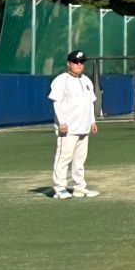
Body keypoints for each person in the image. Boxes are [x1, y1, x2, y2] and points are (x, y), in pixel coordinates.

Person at [49, 49, 99, 198]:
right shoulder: (61, 80)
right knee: (64, 157)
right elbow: (56, 103)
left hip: (83, 127)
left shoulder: (86, 80)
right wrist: (62, 122)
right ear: (68, 64)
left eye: (81, 62)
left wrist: (92, 121)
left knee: (80, 159)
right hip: (68, 128)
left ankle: (79, 187)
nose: (79, 64)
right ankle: (59, 187)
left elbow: (90, 104)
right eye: (76, 62)